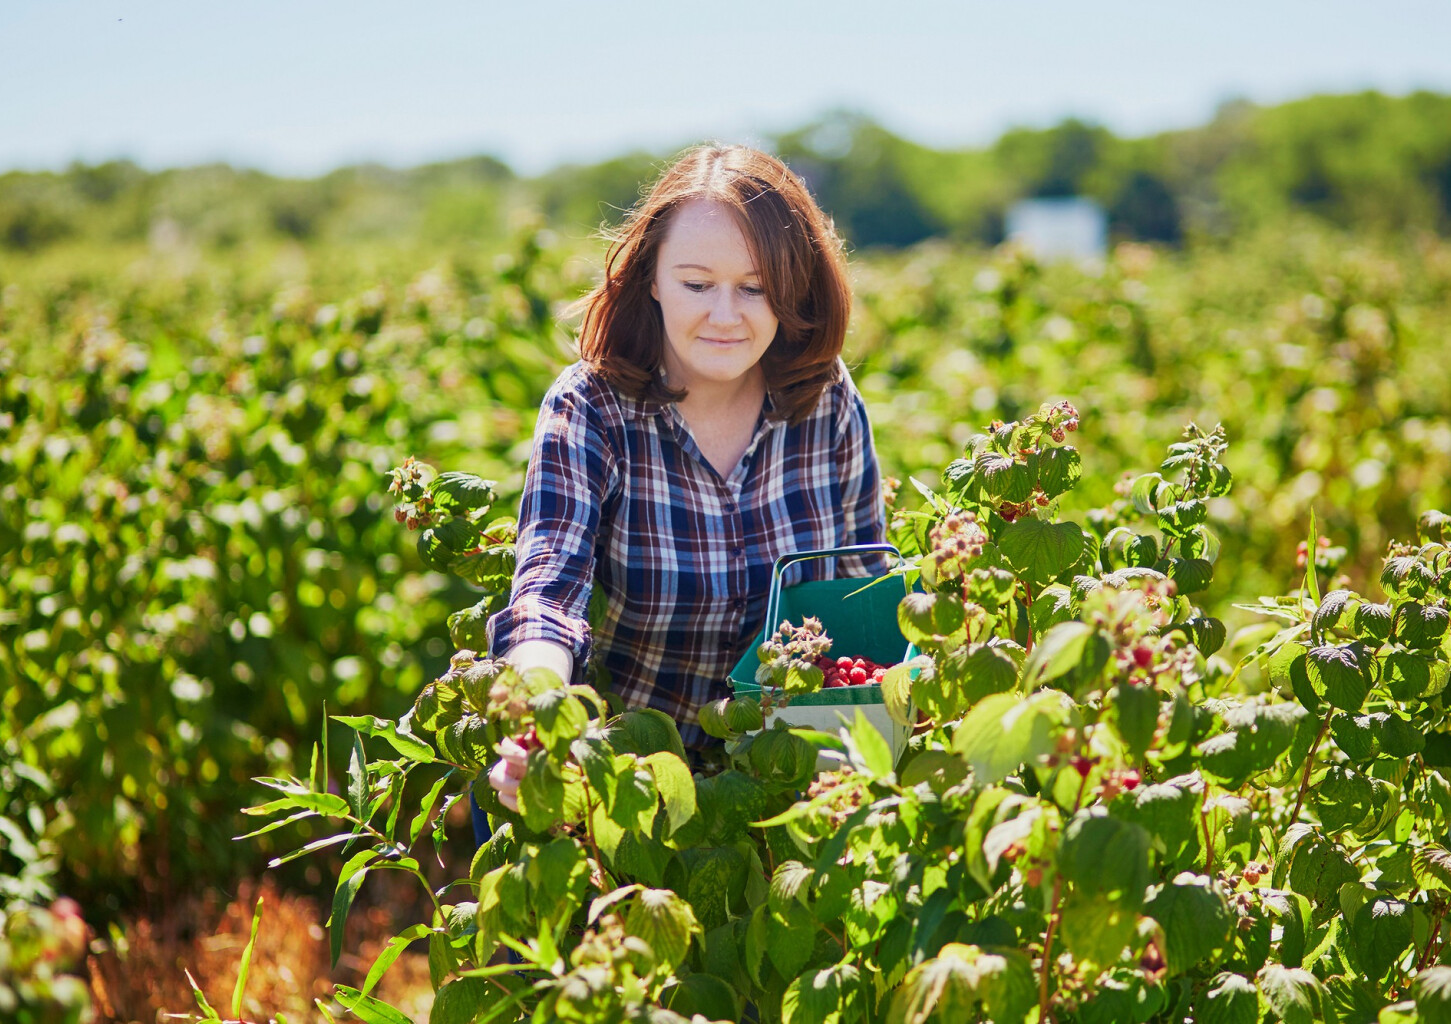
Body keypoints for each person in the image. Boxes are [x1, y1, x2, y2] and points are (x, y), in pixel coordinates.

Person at [483, 144, 887, 815]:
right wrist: (540, 717)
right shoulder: (593, 407)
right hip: (624, 789)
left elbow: (863, 592)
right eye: (697, 285)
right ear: (651, 279)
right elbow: (549, 592)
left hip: (786, 786)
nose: (725, 316)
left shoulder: (825, 400)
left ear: (794, 288)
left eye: (755, 288)